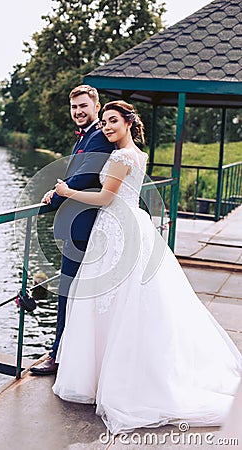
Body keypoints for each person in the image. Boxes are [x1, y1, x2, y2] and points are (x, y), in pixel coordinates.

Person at [52, 100, 242, 434]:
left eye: (113, 121)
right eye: (105, 122)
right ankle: (117, 371)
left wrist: (66, 191)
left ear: (128, 123)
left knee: (111, 301)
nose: (107, 127)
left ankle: (110, 379)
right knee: (125, 302)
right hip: (129, 226)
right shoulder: (139, 154)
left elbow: (105, 198)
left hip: (116, 227)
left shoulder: (121, 157)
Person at [30, 85, 115, 376]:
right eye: (74, 107)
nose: (78, 111)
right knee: (77, 293)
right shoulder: (87, 136)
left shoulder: (99, 136)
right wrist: (57, 192)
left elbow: (86, 177)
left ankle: (56, 356)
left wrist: (55, 196)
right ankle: (73, 354)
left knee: (69, 292)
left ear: (96, 106)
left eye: (83, 106)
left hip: (85, 226)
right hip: (82, 222)